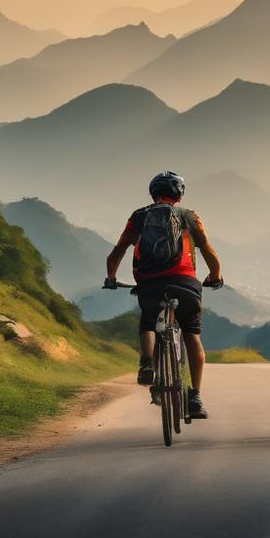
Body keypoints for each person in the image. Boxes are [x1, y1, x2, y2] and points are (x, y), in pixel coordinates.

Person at [104, 170, 223, 419]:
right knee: (192, 334)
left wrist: (111, 278)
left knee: (148, 321)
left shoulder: (138, 217)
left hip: (149, 282)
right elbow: (207, 250)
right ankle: (195, 397)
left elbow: (118, 250)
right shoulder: (189, 216)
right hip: (185, 282)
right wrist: (215, 276)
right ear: (179, 195)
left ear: (152, 193)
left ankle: (147, 363)